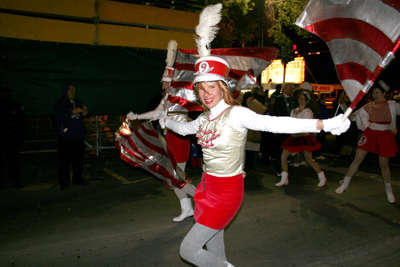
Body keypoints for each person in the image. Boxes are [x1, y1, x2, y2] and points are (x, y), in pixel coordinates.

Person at [159, 48, 350, 267]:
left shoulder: (236, 113)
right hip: (207, 186)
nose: (206, 93)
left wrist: (323, 124)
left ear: (222, 87)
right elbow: (183, 129)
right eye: (201, 88)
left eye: (211, 86)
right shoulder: (203, 118)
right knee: (214, 242)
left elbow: (274, 123)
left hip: (227, 192)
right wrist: (166, 122)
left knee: (188, 250)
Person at [126, 40, 197, 222]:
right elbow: (156, 113)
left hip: (179, 140)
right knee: (174, 178)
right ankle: (187, 208)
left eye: (166, 84)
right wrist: (137, 116)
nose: (163, 86)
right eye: (163, 84)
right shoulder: (167, 99)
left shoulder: (179, 97)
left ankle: (203, 200)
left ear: (172, 83)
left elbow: (166, 114)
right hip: (170, 140)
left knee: (176, 178)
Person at [335, 83, 400, 203]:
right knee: (357, 159)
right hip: (370, 134)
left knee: (383, 165)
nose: (375, 95)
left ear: (384, 93)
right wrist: (343, 105)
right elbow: (354, 116)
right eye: (373, 93)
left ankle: (388, 189)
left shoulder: (392, 105)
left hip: (384, 135)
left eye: (377, 93)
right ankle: (345, 183)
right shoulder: (369, 105)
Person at [275, 90, 327, 187]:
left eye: (303, 99)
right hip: (293, 136)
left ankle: (322, 177)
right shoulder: (294, 110)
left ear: (307, 101)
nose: (300, 100)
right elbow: (291, 123)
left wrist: (295, 117)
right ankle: (284, 178)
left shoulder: (308, 112)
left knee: (309, 160)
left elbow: (304, 125)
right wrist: (294, 116)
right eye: (300, 98)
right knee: (283, 157)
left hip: (303, 137)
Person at [53, 84, 90, 190]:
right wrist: (72, 112)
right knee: (64, 161)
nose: (72, 92)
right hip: (65, 137)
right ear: (65, 91)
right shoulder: (60, 103)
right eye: (69, 90)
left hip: (78, 137)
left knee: (78, 160)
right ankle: (64, 183)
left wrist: (86, 112)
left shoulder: (78, 102)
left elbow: (87, 113)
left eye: (73, 90)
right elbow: (58, 116)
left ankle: (77, 180)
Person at [0, 84, 27, 189]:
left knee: (13, 161)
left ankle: (16, 181)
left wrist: (19, 138)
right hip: (2, 137)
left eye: (5, 92)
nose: (4, 94)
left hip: (12, 138)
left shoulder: (15, 106)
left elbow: (23, 123)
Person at [271, 82, 293, 175]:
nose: (291, 90)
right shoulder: (279, 99)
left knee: (286, 147)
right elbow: (276, 113)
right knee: (279, 148)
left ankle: (284, 165)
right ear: (284, 89)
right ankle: (278, 168)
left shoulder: (290, 99)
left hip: (288, 126)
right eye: (289, 88)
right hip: (281, 127)